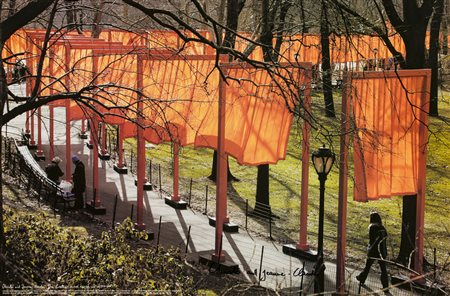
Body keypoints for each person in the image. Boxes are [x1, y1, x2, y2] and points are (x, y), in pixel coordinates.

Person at [356, 212, 390, 293]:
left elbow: (372, 240)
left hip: (374, 251)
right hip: (382, 251)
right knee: (383, 269)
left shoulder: (372, 227)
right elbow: (385, 237)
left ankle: (362, 279)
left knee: (367, 266)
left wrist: (369, 249)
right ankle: (386, 287)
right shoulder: (382, 228)